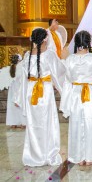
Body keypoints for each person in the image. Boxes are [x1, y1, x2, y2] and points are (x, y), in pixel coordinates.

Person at [18, 28, 65, 167]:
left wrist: (20, 98)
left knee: (33, 124)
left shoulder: (27, 56)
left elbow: (23, 80)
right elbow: (60, 72)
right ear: (45, 39)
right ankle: (48, 154)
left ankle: (34, 155)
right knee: (48, 123)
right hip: (45, 92)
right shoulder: (50, 54)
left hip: (31, 93)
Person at [60, 31, 92, 166]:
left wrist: (63, 59)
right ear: (88, 42)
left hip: (76, 94)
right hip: (90, 93)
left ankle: (78, 156)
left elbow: (67, 79)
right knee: (91, 123)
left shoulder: (70, 59)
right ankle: (91, 156)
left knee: (77, 123)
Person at [6, 54, 26, 128]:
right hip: (19, 89)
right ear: (19, 61)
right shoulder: (21, 68)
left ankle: (13, 123)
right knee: (20, 105)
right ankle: (22, 123)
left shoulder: (9, 68)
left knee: (12, 106)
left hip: (12, 90)